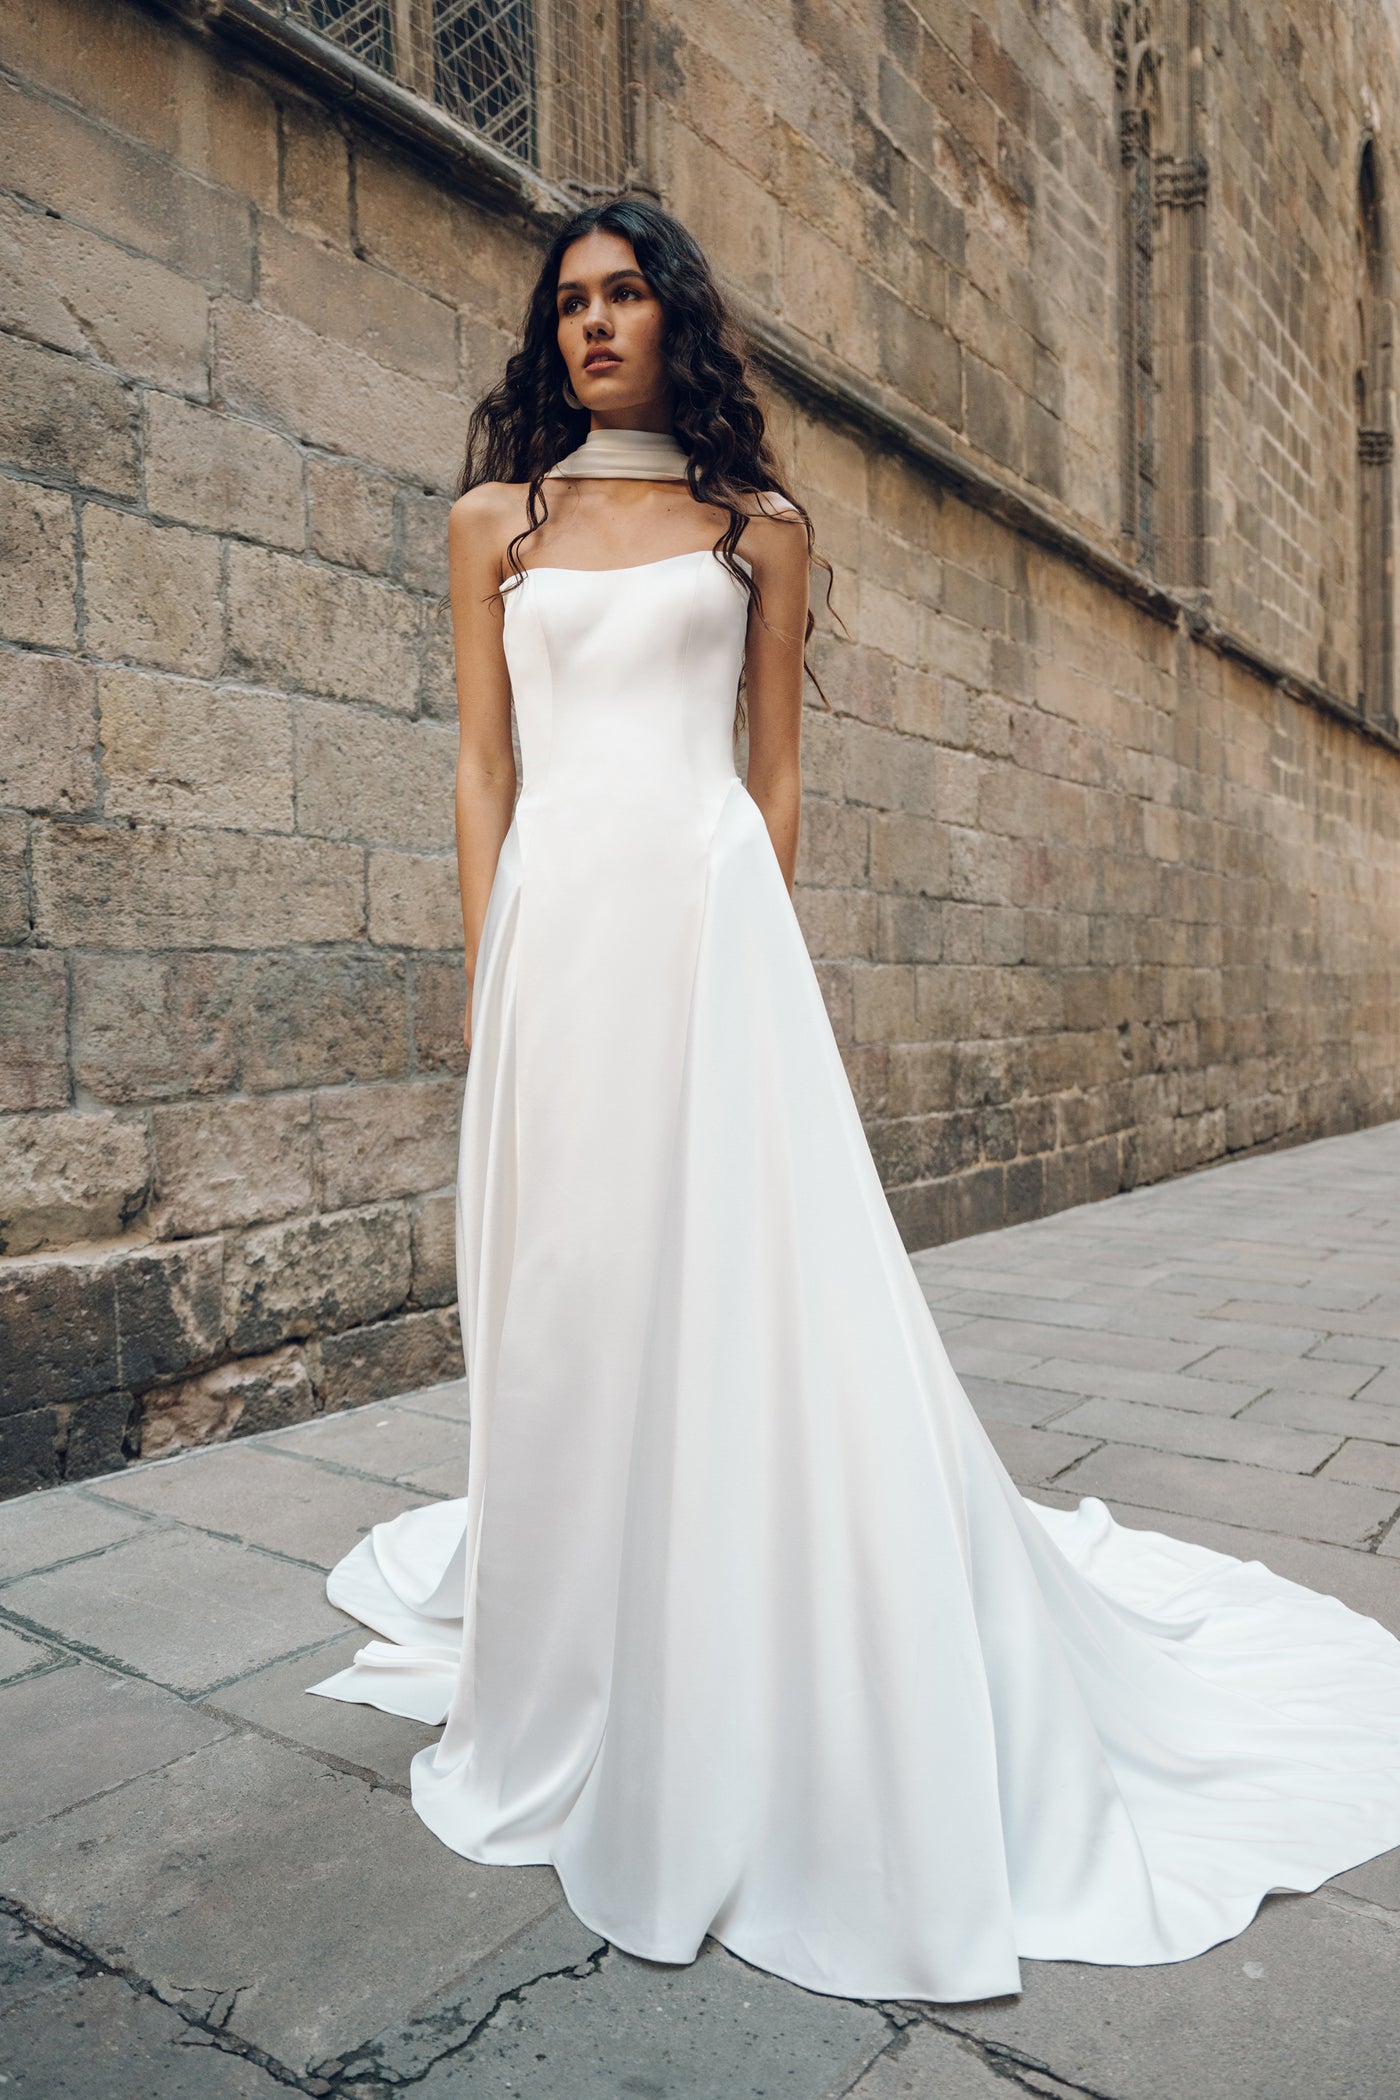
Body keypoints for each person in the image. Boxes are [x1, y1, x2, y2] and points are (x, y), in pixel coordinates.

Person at [309, 197, 1400, 2005]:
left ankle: (728, 1622)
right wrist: (496, 977)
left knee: (721, 1296)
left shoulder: (762, 530)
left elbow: (774, 780)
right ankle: (575, 1627)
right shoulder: (491, 526)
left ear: (677, 319)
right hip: (555, 956)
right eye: (570, 302)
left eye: (626, 294)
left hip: (707, 944)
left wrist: (753, 976)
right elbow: (485, 770)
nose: (594, 325)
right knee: (565, 1300)